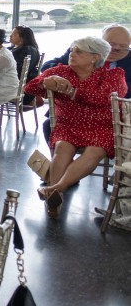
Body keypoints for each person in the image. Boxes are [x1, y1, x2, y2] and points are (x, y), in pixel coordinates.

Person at [24, 36, 126, 217]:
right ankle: (54, 198)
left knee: (95, 150)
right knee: (62, 147)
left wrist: (72, 91)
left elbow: (104, 98)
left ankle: (55, 190)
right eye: (72, 50)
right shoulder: (60, 71)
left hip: (100, 126)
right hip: (69, 124)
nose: (72, 54)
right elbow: (30, 88)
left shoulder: (113, 75)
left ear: (95, 57)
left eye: (79, 51)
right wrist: (46, 82)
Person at [39, 24, 131, 142]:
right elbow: (47, 66)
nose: (116, 49)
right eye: (111, 44)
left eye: (123, 46)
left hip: (112, 116)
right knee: (49, 125)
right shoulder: (81, 51)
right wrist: (62, 76)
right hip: (72, 110)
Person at [9, 25, 40, 106]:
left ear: (22, 38)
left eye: (14, 34)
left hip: (21, 91)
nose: (10, 36)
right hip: (22, 88)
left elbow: (17, 73)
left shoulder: (25, 50)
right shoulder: (14, 48)